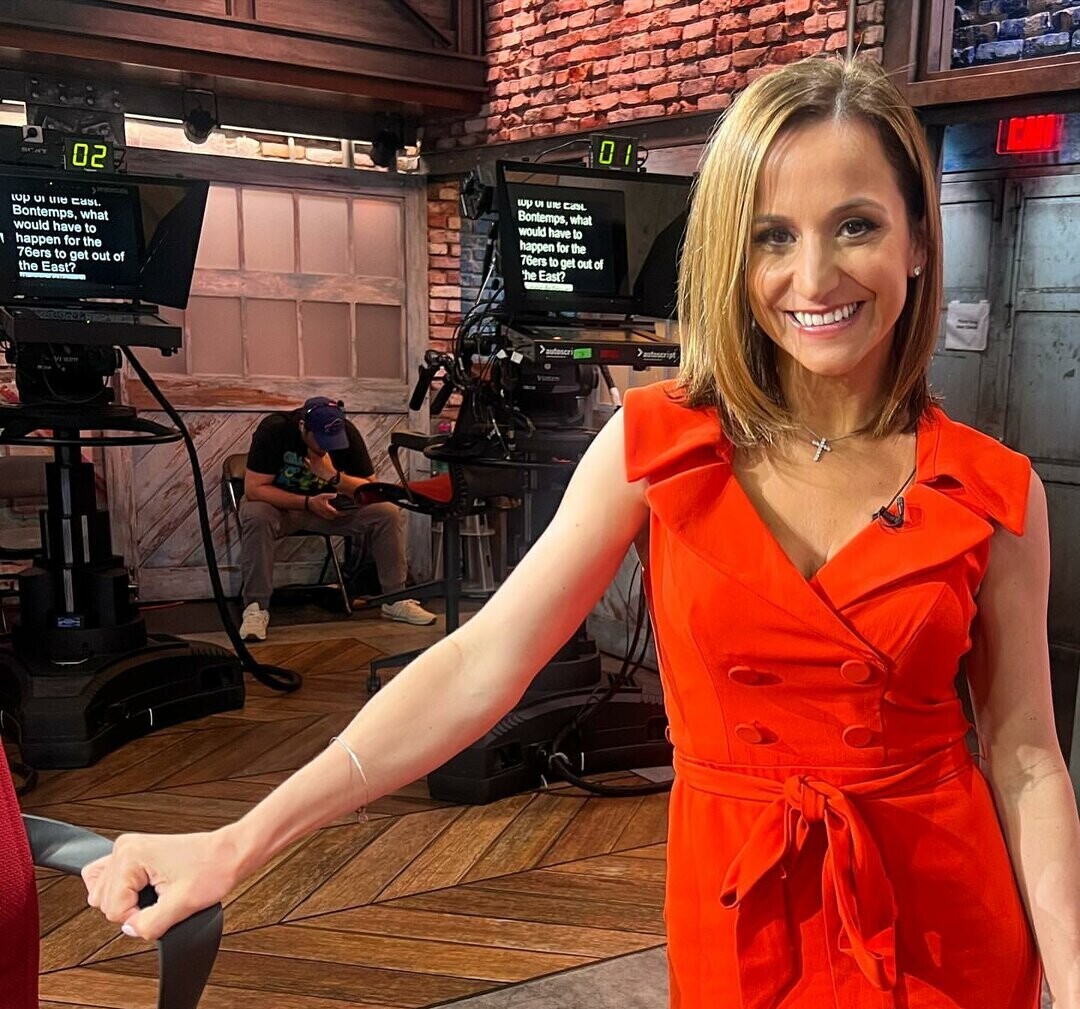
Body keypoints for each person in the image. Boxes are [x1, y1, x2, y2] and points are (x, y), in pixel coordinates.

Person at [80, 58, 1078, 1009]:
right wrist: (240, 839)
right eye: (771, 235)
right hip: (742, 915)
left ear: (917, 240)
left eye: (855, 224)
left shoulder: (996, 491)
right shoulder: (655, 446)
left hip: (943, 922)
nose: (812, 276)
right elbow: (480, 661)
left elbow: (1028, 754)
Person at [237, 396, 435, 639]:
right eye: (320, 440)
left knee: (386, 512)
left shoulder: (346, 433)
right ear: (303, 427)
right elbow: (254, 489)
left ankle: (395, 599)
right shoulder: (275, 429)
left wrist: (333, 476)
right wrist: (307, 503)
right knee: (256, 514)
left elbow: (369, 490)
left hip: (329, 510)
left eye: (331, 441)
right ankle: (255, 607)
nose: (326, 447)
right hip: (284, 509)